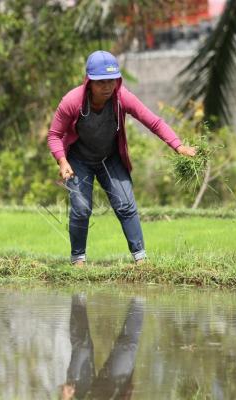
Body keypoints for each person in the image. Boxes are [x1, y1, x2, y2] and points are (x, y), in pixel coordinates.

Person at [48, 50, 195, 266]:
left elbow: (154, 122)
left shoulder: (121, 97)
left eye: (112, 81)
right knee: (81, 209)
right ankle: (78, 260)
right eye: (101, 82)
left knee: (126, 205)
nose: (107, 87)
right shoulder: (72, 101)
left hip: (110, 158)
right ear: (89, 81)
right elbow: (54, 135)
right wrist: (62, 161)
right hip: (79, 160)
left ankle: (140, 259)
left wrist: (178, 145)